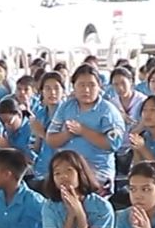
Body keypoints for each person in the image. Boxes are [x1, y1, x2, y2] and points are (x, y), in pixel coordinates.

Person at [46, 66, 126, 195]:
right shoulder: (66, 107)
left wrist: (83, 131)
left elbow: (113, 144)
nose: (86, 90)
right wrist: (67, 134)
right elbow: (50, 139)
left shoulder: (108, 111)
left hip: (97, 172)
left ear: (99, 87)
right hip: (68, 170)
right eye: (81, 85)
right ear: (74, 87)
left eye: (91, 85)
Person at [39, 149, 114, 228]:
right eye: (57, 173)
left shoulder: (102, 207)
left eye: (69, 170)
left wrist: (80, 216)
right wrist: (70, 217)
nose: (63, 176)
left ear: (81, 173)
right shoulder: (50, 206)